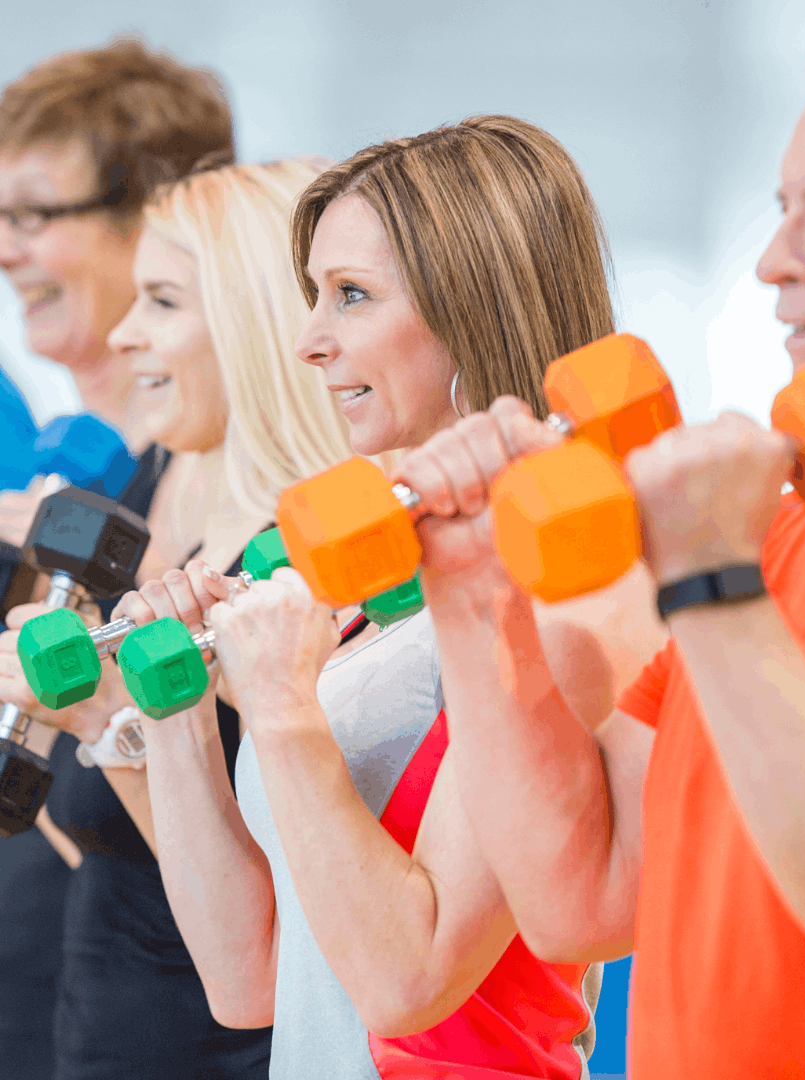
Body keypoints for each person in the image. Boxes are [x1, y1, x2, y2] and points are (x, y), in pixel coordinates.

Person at [389, 31, 805, 1079]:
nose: (773, 261)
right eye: (783, 209)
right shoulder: (790, 529)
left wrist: (711, 578)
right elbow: (584, 891)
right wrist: (474, 595)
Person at [120, 117, 637, 1079]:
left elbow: (410, 979)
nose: (311, 342)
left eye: (351, 297)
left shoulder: (558, 600)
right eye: (314, 297)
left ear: (472, 309)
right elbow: (252, 979)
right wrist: (181, 712)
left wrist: (280, 706)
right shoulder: (368, 602)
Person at [0, 159, 352, 1076]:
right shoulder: (154, 493)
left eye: (160, 302)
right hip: (89, 1032)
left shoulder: (303, 574)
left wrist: (100, 718)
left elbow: (271, 914)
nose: (122, 336)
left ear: (250, 324)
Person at [0, 38, 235, 1080]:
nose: (8, 248)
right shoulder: (62, 480)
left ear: (151, 213)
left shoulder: (215, 501)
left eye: (35, 215)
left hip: (135, 1011)